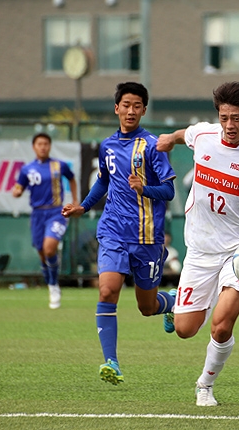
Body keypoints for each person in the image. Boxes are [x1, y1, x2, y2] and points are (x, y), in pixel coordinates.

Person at [157, 81, 239, 406]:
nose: (229, 126)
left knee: (221, 326)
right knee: (185, 329)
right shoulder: (205, 134)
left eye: (236, 118)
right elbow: (186, 134)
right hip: (199, 249)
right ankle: (174, 305)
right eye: (224, 117)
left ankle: (204, 386)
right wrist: (169, 138)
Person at [62, 81, 177, 386]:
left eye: (137, 106)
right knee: (107, 291)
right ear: (116, 108)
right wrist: (84, 207)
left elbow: (169, 190)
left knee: (146, 307)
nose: (130, 110)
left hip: (147, 237)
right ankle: (111, 361)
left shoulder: (153, 146)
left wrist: (144, 188)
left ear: (143, 110)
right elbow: (103, 180)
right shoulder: (108, 145)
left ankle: (173, 303)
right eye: (125, 105)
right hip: (113, 231)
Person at [12, 132, 77, 309]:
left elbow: (71, 178)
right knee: (42, 253)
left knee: (49, 249)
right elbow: (18, 187)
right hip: (37, 214)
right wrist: (16, 192)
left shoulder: (58, 165)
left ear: (50, 146)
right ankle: (50, 283)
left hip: (56, 212)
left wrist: (75, 201)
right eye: (39, 144)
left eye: (46, 144)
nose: (43, 147)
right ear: (34, 147)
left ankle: (54, 285)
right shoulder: (27, 169)